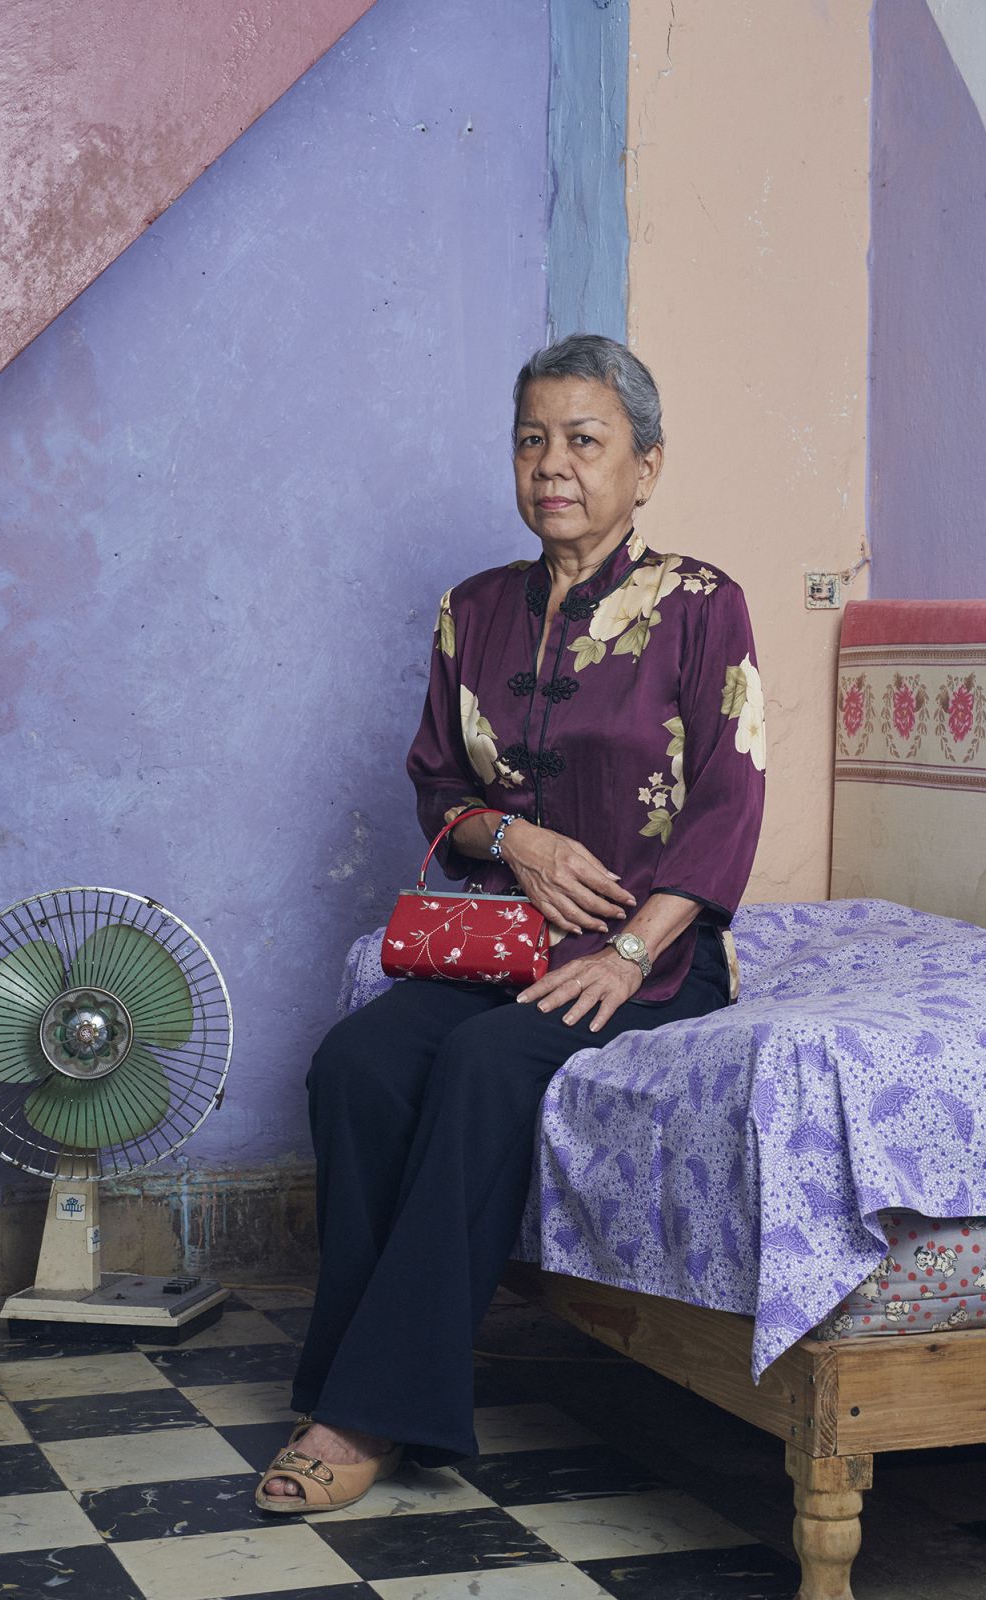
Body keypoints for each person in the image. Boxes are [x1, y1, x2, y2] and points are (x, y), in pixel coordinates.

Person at [256, 333, 766, 1511]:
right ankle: (349, 1372)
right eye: (531, 440)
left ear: (644, 466)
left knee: (485, 1064)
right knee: (354, 1065)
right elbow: (439, 782)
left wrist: (630, 951)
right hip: (502, 945)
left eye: (583, 440)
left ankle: (364, 1415)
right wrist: (515, 842)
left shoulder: (702, 607)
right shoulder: (472, 610)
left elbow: (729, 802)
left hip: (653, 959)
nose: (552, 465)